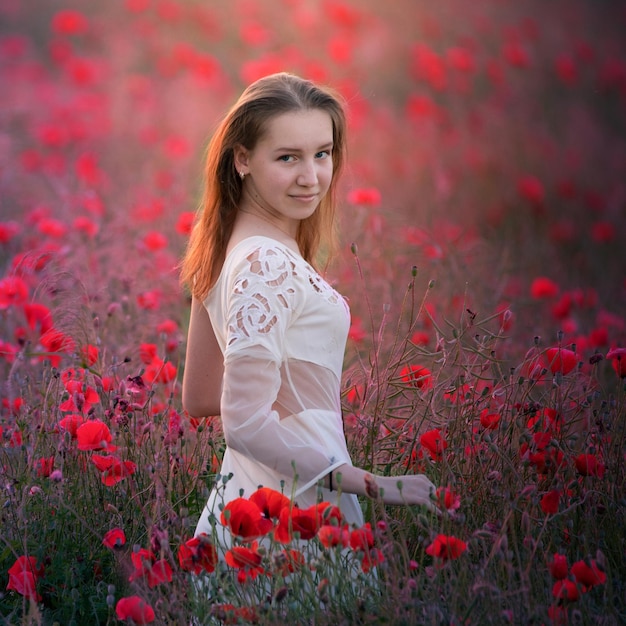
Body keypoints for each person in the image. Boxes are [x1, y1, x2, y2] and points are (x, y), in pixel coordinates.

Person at [180, 72, 436, 545]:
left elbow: (199, 396)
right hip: (292, 507)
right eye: (287, 158)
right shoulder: (264, 261)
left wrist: (280, 399)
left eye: (322, 153)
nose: (311, 176)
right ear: (242, 159)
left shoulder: (226, 245)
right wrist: (373, 483)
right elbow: (245, 422)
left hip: (256, 492)